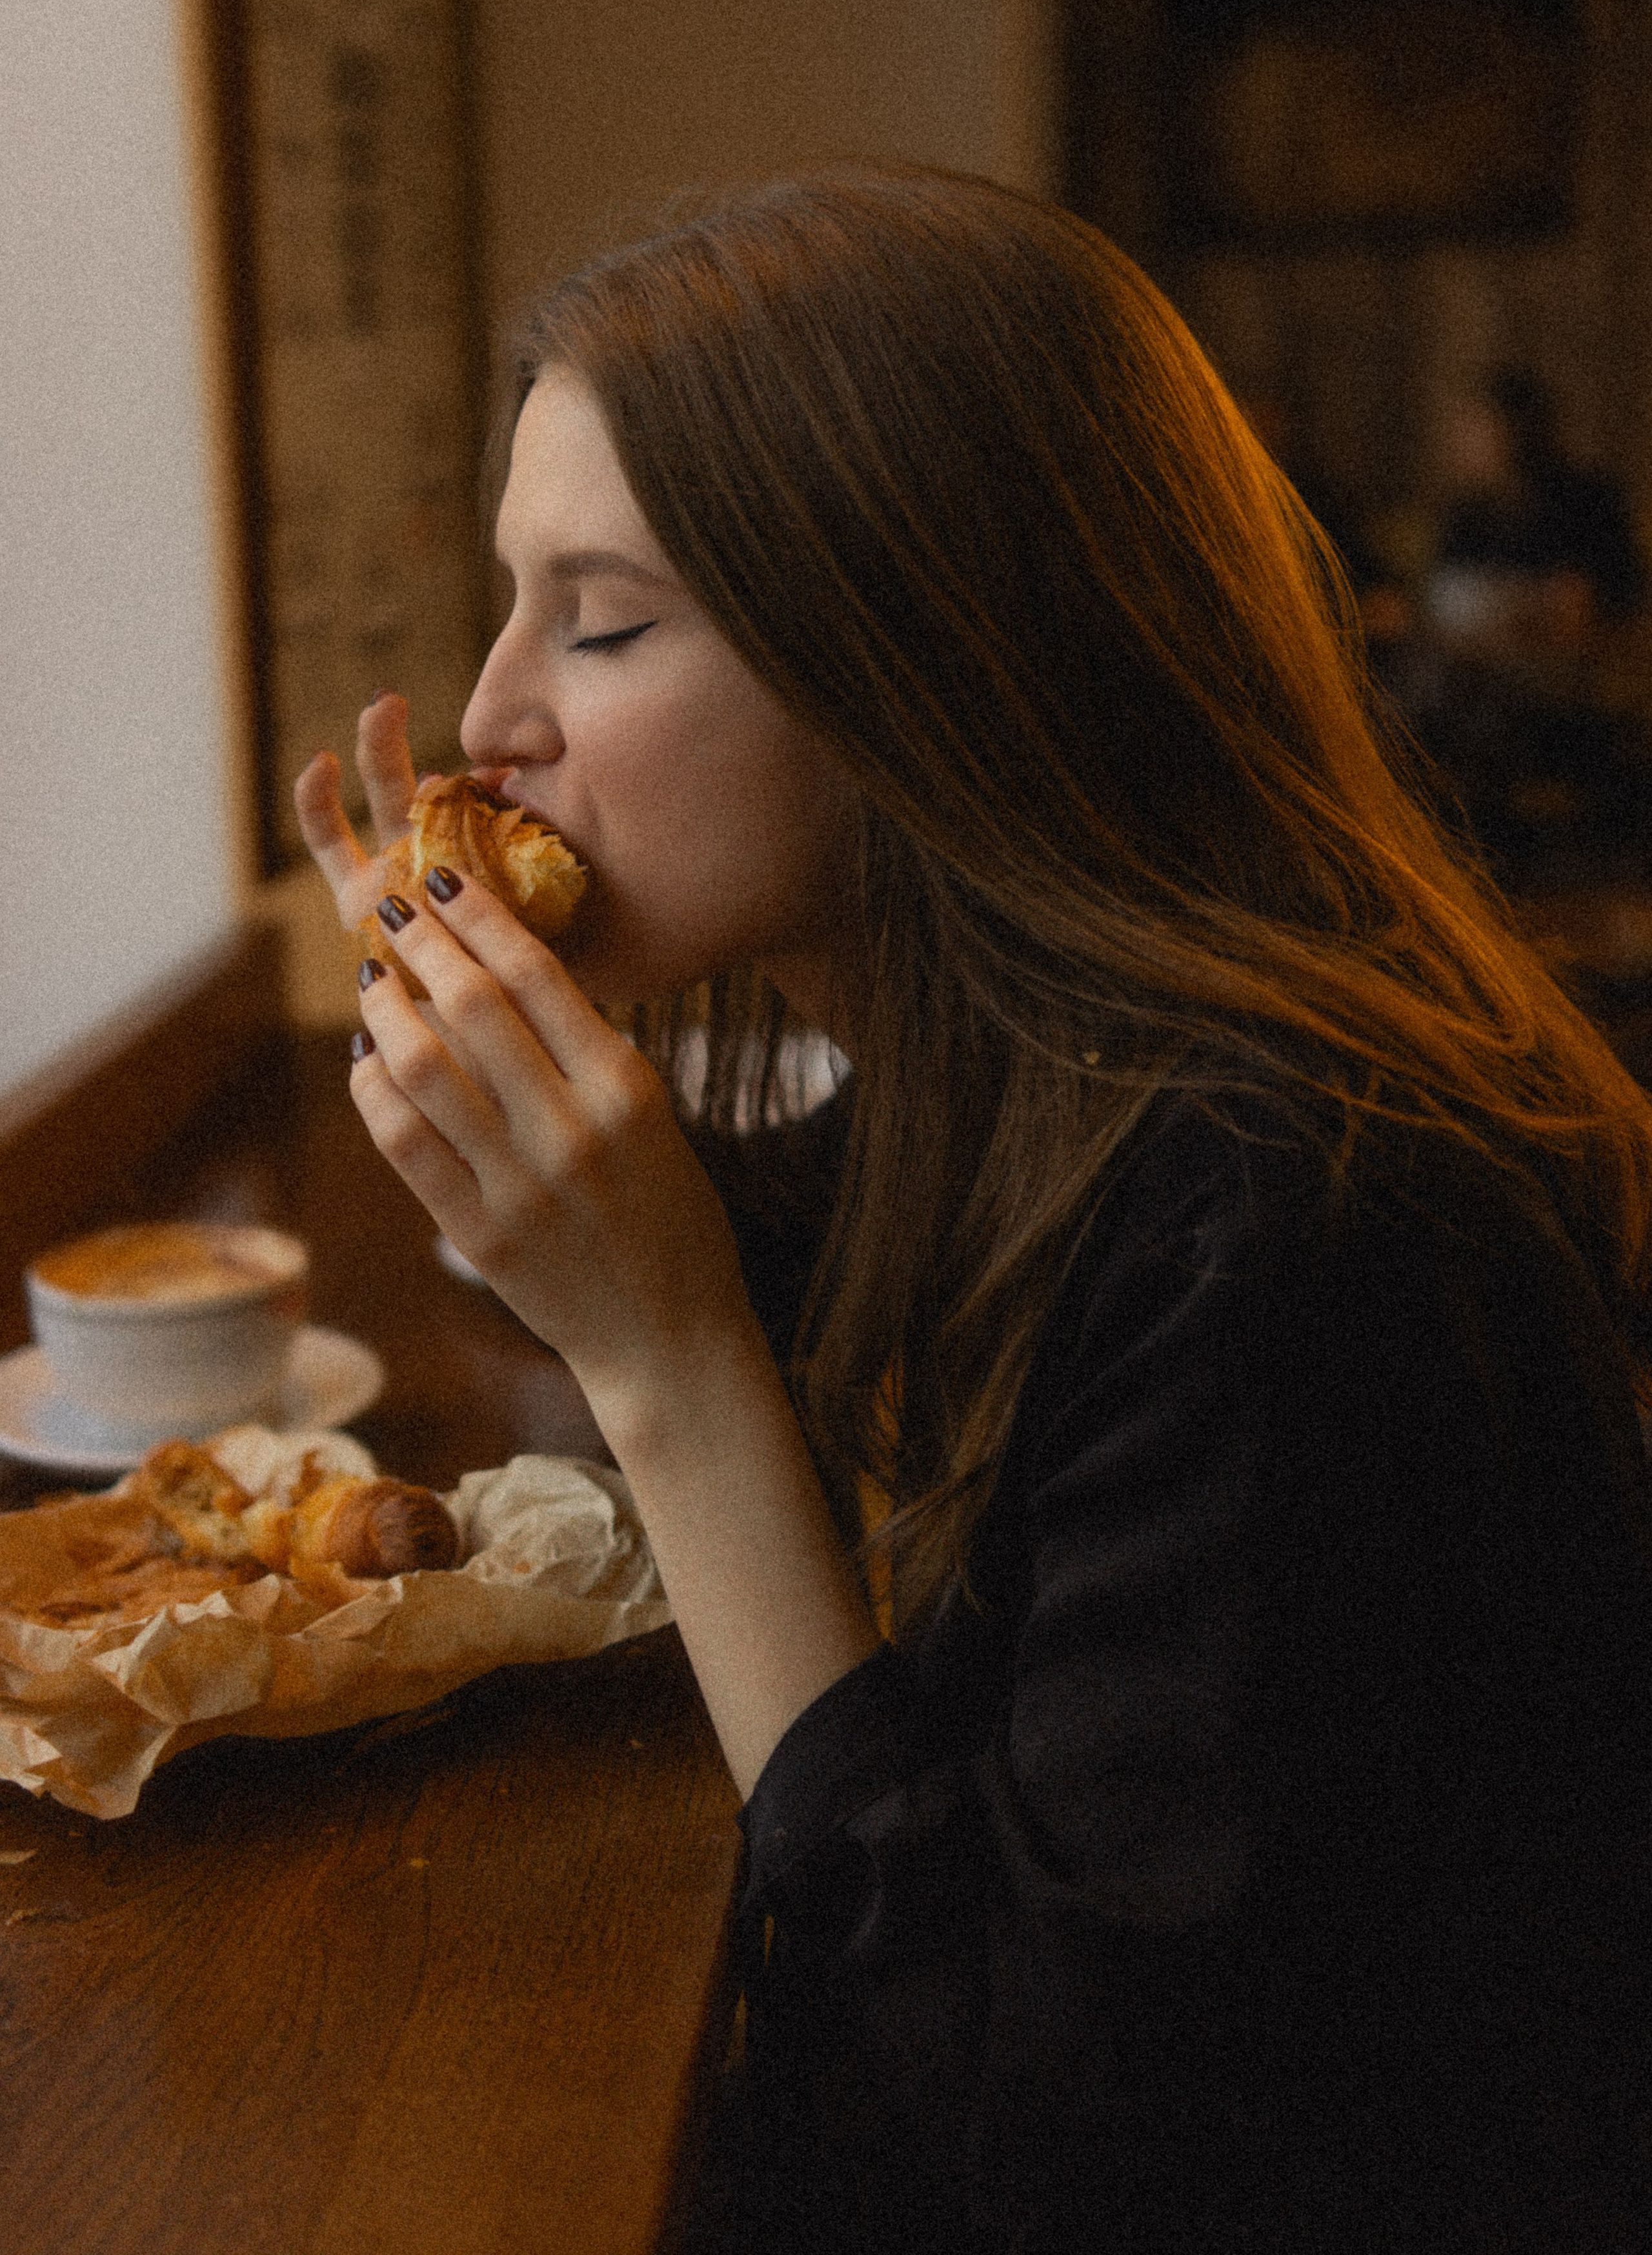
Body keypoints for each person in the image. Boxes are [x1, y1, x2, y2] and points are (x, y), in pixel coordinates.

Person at [294, 170, 1652, 2254]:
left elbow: (1024, 2148)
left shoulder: (1301, 1207)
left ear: (923, 656)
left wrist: (657, 1359)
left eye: (607, 620)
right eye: (510, 600)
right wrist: (496, 1118)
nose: (491, 721)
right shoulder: (1037, 1086)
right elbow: (766, 1241)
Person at [1421, 370, 1652, 887]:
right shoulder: (1470, 513)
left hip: (1578, 686)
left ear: (1513, 431)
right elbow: (1443, 600)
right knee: (1436, 706)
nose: (1462, 441)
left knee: (1473, 717)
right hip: (1482, 680)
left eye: (1475, 427)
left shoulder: (1585, 502)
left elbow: (1612, 600)